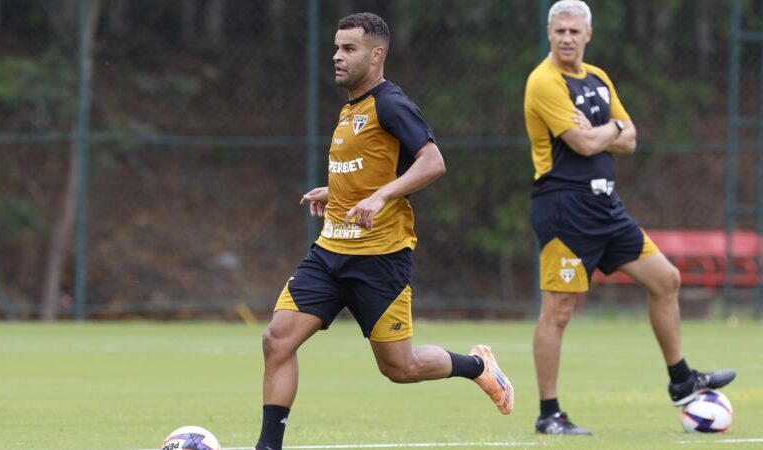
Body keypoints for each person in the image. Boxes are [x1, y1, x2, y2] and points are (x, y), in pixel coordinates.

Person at [254, 12, 514, 450]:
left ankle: (477, 366)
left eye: (348, 49)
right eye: (336, 47)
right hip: (329, 251)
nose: (337, 56)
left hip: (381, 258)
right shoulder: (350, 107)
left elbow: (432, 162)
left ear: (376, 55)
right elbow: (368, 167)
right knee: (277, 339)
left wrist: (381, 198)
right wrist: (334, 189)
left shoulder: (391, 103)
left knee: (400, 367)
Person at [523, 0, 735, 436]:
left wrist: (610, 132)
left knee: (666, 279)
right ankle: (549, 414)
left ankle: (682, 381)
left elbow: (631, 136)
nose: (566, 38)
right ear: (549, 33)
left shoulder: (598, 79)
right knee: (559, 310)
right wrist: (610, 133)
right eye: (559, 30)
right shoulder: (543, 81)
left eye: (574, 31)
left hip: (606, 207)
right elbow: (580, 145)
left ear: (588, 35)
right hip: (565, 207)